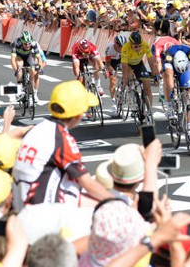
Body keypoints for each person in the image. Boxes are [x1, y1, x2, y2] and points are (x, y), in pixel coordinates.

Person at [12, 80, 114, 212]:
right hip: (45, 215)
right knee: (107, 204)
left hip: (24, 207)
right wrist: (119, 202)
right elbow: (87, 183)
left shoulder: (37, 130)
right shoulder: (61, 138)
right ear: (78, 115)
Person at [162, 44, 190, 144]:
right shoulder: (169, 55)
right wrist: (172, 91)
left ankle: (189, 130)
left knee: (189, 94)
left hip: (184, 69)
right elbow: (169, 75)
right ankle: (169, 107)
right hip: (170, 68)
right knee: (166, 79)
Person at [121, 32, 159, 109]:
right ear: (131, 45)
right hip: (128, 64)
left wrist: (155, 74)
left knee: (147, 86)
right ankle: (130, 97)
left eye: (139, 46)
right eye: (135, 46)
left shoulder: (145, 45)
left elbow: (151, 60)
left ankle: (149, 111)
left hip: (138, 64)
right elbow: (124, 65)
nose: (138, 48)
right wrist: (125, 78)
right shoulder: (125, 48)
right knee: (129, 77)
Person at [10, 31, 44, 102]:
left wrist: (39, 67)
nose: (28, 45)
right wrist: (16, 70)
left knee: (33, 70)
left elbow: (39, 58)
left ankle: (33, 93)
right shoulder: (16, 43)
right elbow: (13, 59)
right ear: (22, 42)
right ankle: (20, 90)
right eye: (25, 44)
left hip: (29, 56)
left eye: (29, 43)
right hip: (19, 57)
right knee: (19, 68)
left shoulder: (34, 43)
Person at [106, 35, 126, 114]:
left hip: (122, 60)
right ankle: (113, 101)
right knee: (113, 80)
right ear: (115, 44)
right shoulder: (110, 48)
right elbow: (107, 64)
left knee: (128, 75)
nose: (121, 48)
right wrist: (113, 73)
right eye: (120, 46)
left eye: (122, 46)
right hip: (112, 62)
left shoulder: (126, 48)